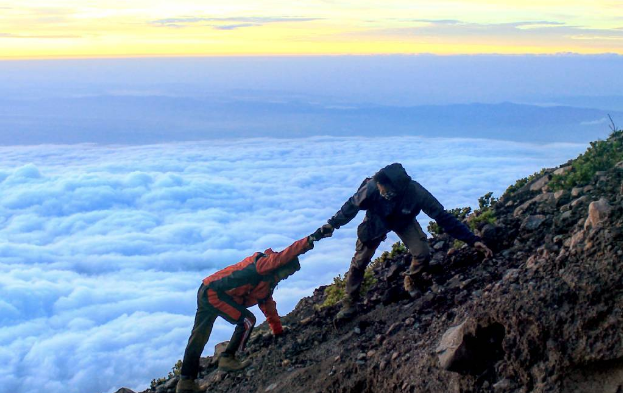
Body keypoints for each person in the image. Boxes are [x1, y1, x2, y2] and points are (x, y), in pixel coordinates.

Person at [320, 163, 493, 320]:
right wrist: (332, 224)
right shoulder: (372, 186)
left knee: (422, 253)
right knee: (360, 262)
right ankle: (350, 303)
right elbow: (352, 206)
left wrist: (472, 240)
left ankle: (411, 278)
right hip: (377, 221)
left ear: (397, 188)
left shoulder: (416, 192)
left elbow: (442, 217)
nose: (381, 191)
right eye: (379, 187)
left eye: (384, 189)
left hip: (404, 220)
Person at [176, 228, 329, 393]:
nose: (286, 276)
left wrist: (277, 331)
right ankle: (228, 358)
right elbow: (287, 254)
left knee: (199, 337)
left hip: (206, 290)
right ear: (281, 266)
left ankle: (186, 382)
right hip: (214, 292)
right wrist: (312, 239)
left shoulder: (267, 282)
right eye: (287, 272)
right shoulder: (265, 265)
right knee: (247, 321)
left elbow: (267, 305)